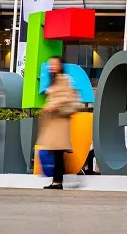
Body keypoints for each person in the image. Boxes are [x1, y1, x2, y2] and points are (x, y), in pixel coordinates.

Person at [36, 56, 81, 190]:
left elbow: (64, 98)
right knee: (56, 153)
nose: (51, 67)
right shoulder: (54, 80)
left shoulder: (63, 79)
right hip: (54, 121)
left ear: (60, 65)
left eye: (54, 64)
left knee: (58, 153)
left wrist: (52, 106)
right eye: (50, 64)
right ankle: (56, 181)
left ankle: (57, 182)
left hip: (60, 120)